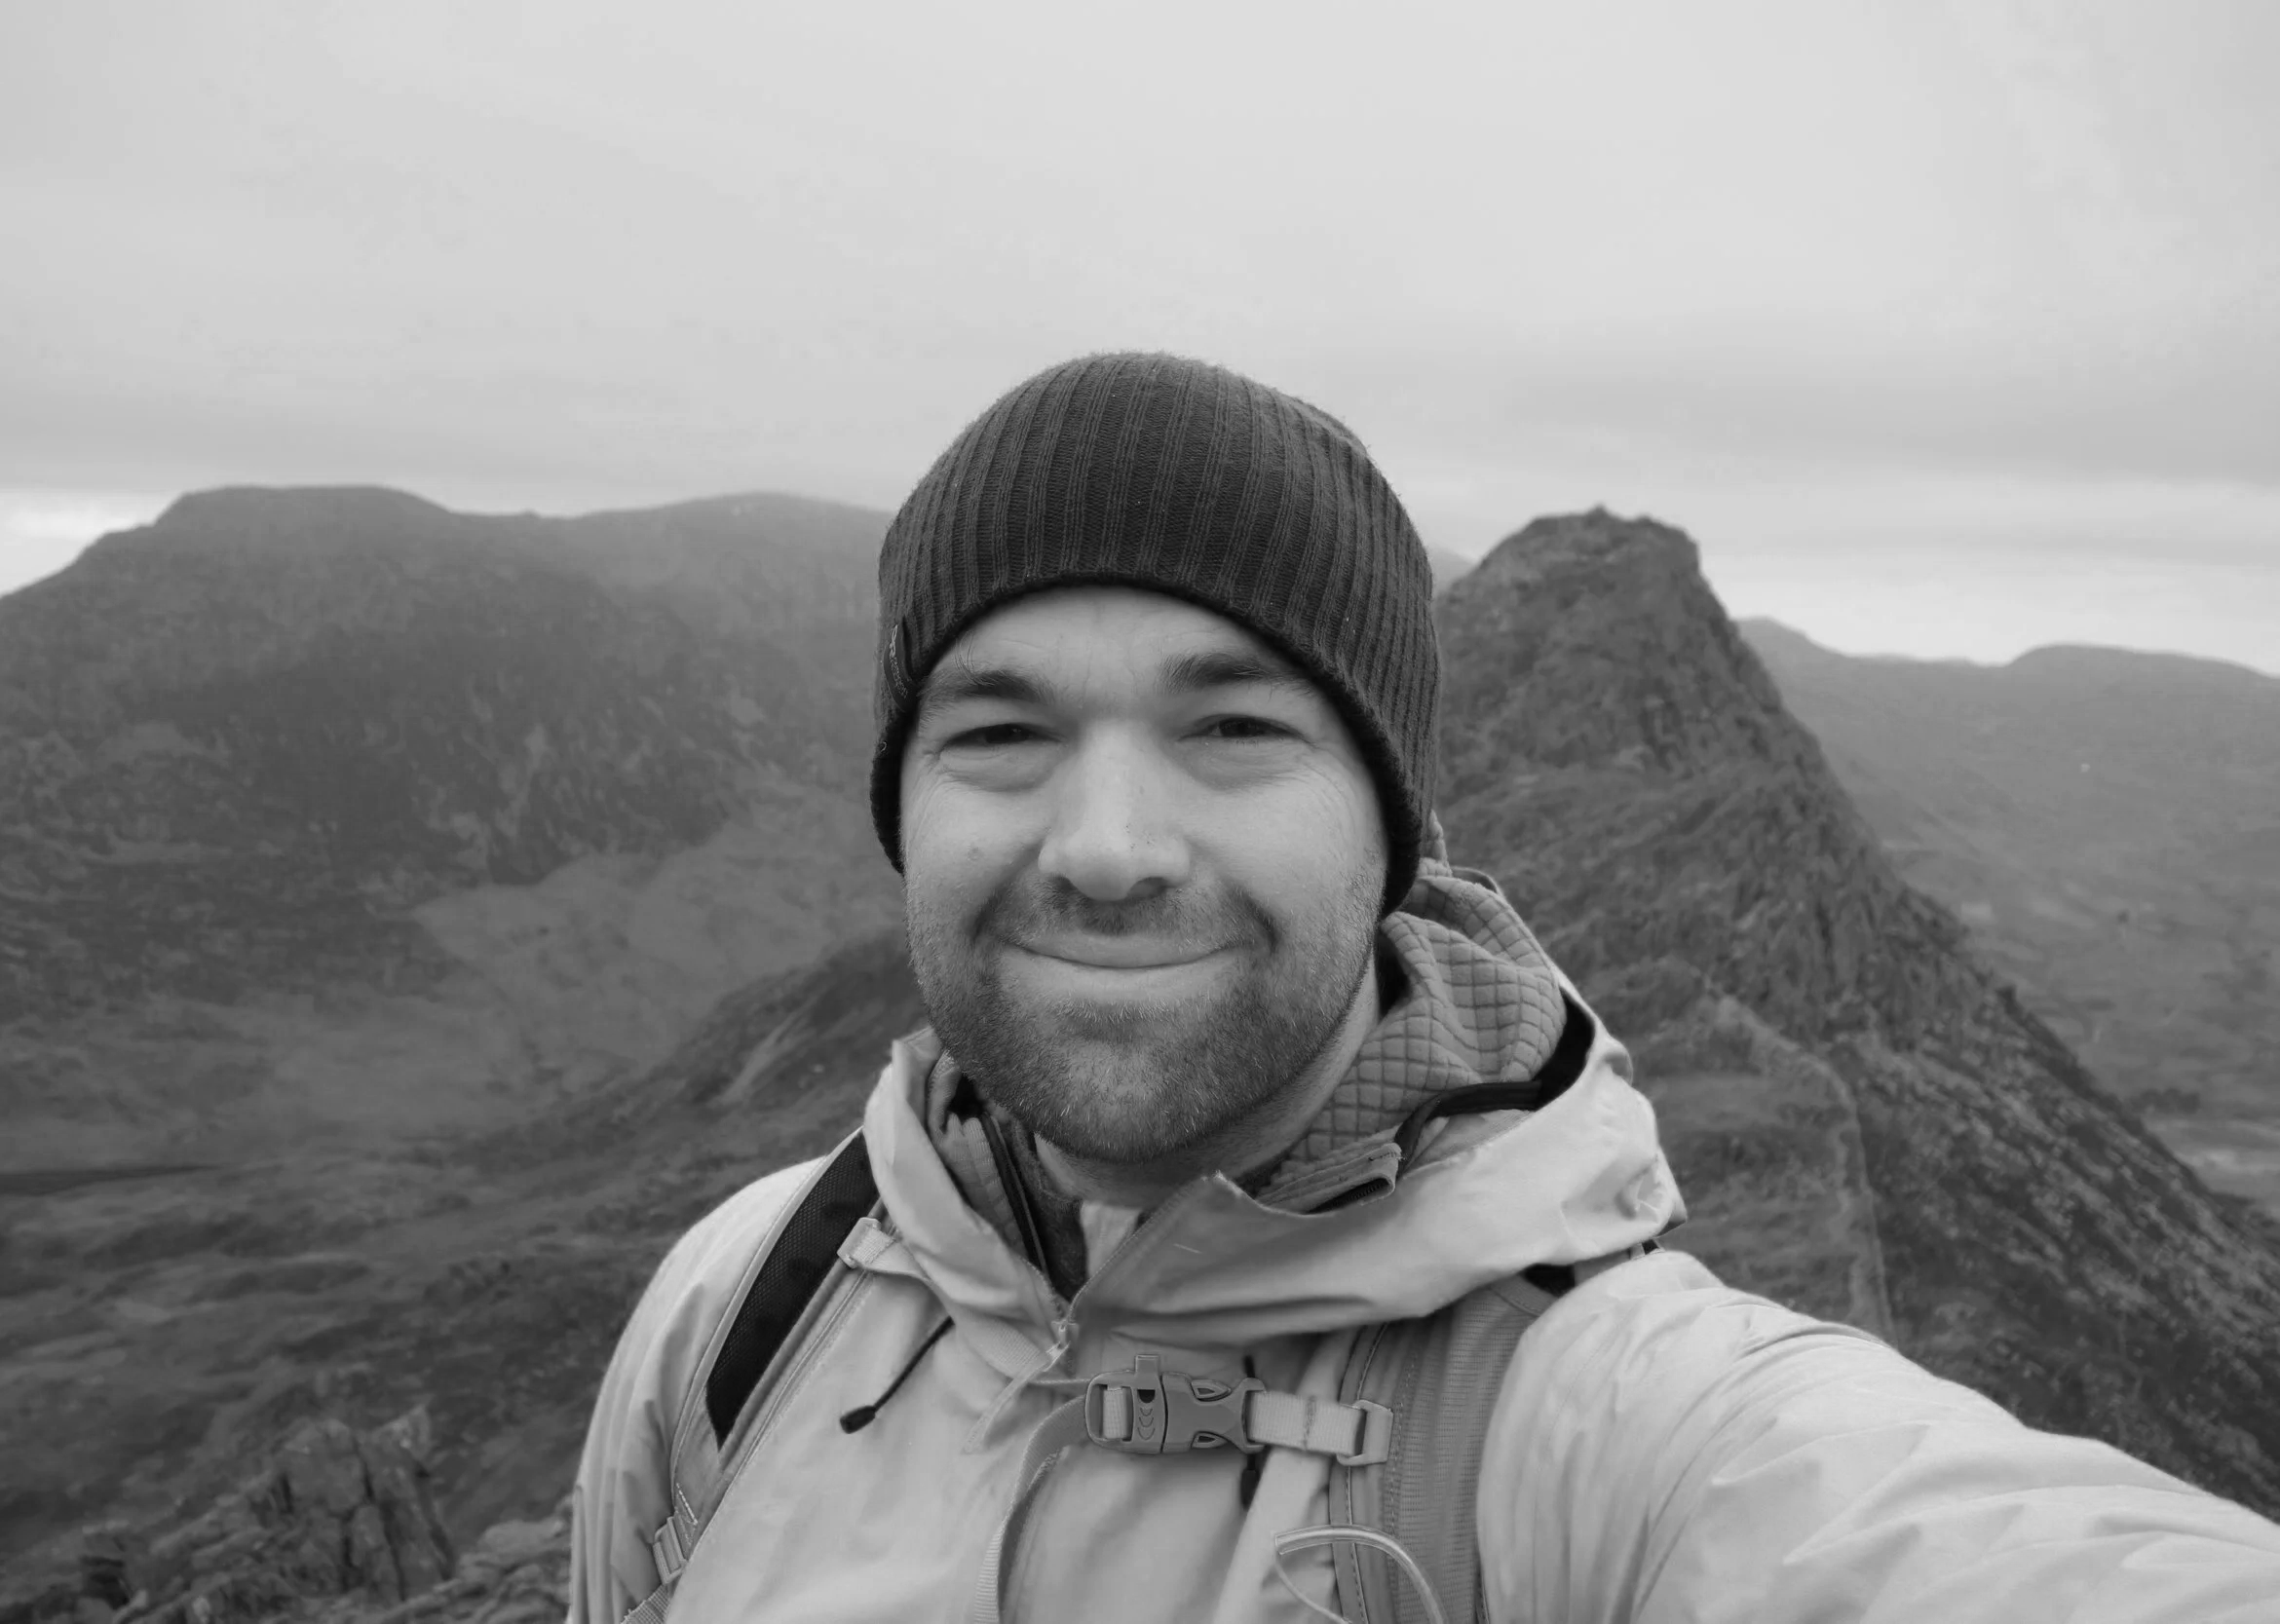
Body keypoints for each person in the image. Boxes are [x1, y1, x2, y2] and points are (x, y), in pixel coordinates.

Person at [569, 352, 2280, 1623]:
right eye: (1002, 730)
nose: (1104, 846)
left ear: (1392, 828)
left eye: (1234, 726)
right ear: (903, 800)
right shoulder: (739, 1311)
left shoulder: (1589, 1418)